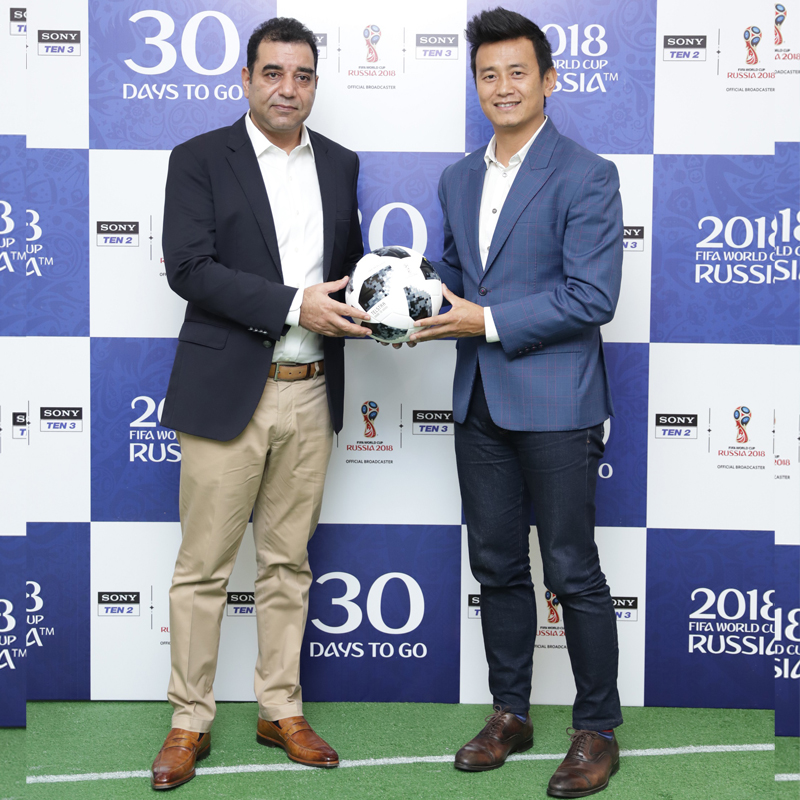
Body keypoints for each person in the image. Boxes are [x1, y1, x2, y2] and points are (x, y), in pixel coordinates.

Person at [150, 17, 370, 791]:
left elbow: (347, 270)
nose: (288, 88)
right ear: (245, 79)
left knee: (287, 565)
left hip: (311, 393)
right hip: (226, 394)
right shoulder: (199, 158)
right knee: (203, 568)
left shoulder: (339, 163)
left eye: (302, 75)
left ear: (315, 84)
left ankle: (281, 709)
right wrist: (292, 304)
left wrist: (384, 306)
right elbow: (189, 268)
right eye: (273, 73)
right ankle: (189, 720)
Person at [410, 8, 624, 797]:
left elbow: (592, 295)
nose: (502, 86)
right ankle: (511, 713)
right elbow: (457, 275)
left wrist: (486, 322)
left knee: (571, 568)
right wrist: (405, 301)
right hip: (479, 403)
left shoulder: (588, 173)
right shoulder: (458, 177)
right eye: (488, 74)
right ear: (476, 85)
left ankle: (596, 728)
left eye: (517, 72)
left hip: (559, 401)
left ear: (549, 80)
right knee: (497, 564)